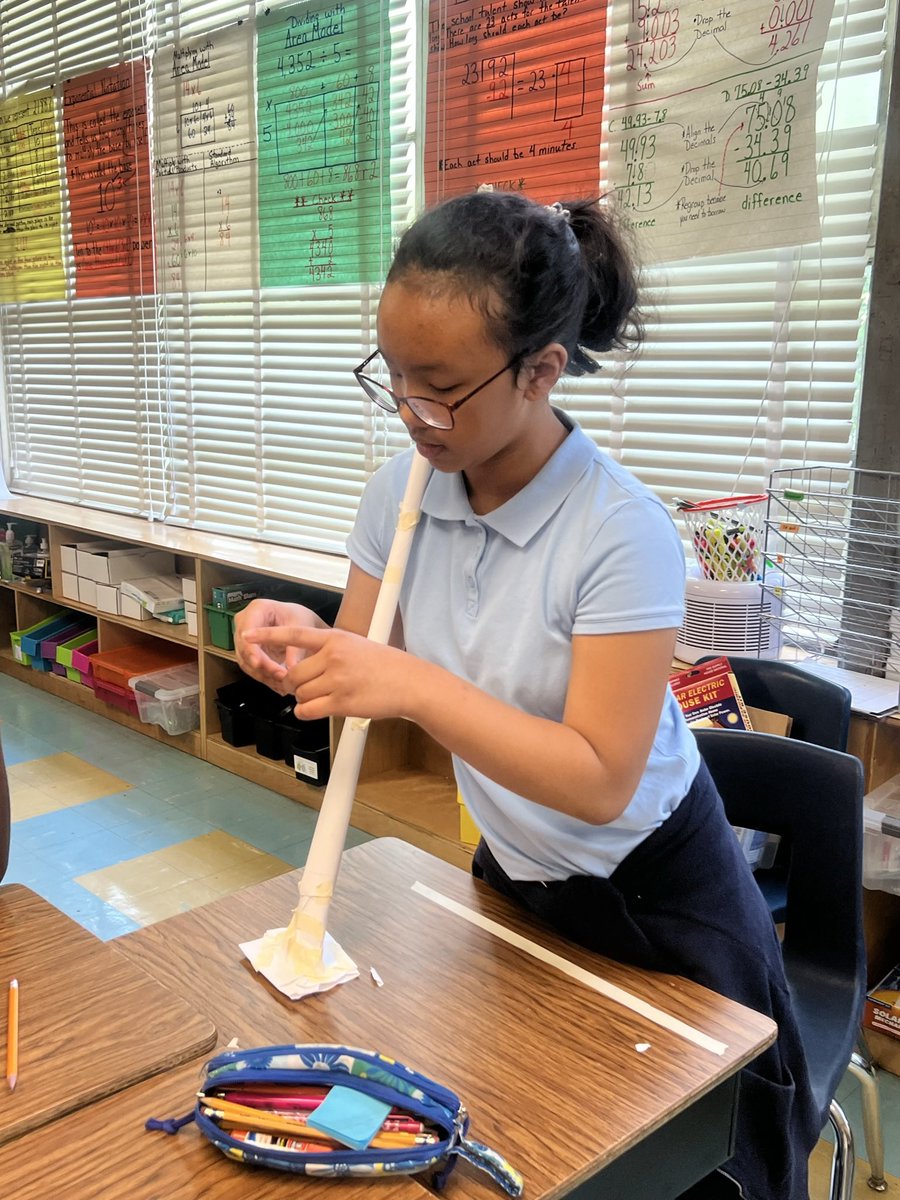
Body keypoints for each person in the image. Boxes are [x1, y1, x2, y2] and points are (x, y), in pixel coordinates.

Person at [234, 188, 819, 1200]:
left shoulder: (618, 530)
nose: (413, 414)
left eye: (443, 388)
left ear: (541, 370)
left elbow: (597, 778)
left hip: (658, 899)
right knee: (526, 1139)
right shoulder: (402, 490)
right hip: (515, 873)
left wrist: (407, 682)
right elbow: (368, 663)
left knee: (688, 1169)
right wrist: (299, 643)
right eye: (396, 380)